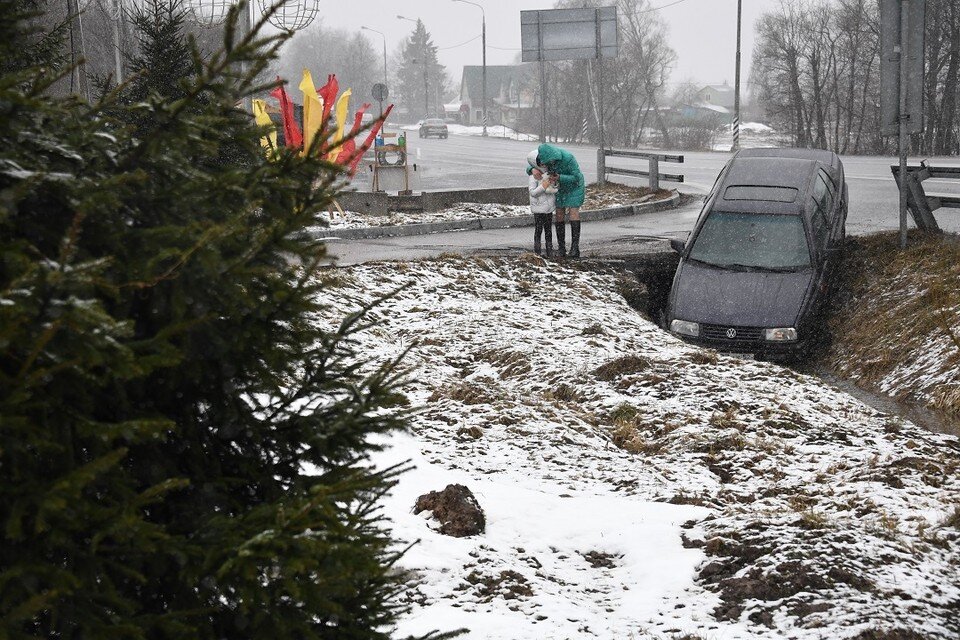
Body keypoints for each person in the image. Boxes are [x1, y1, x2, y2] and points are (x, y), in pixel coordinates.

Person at [527, 143, 585, 258]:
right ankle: (561, 248)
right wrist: (531, 169)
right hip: (560, 187)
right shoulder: (546, 159)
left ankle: (574, 248)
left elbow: (576, 177)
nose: (546, 165)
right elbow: (535, 165)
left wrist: (559, 177)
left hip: (574, 186)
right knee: (559, 214)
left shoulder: (568, 158)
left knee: (573, 212)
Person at [527, 149, 557, 256]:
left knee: (548, 230)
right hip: (539, 208)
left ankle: (550, 250)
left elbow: (554, 189)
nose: (544, 165)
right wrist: (543, 186)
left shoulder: (549, 174)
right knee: (538, 230)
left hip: (548, 208)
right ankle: (537, 251)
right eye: (541, 163)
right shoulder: (533, 177)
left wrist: (553, 184)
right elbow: (533, 193)